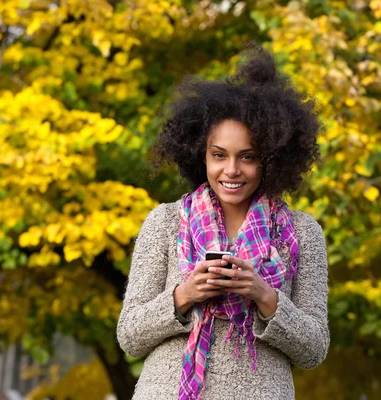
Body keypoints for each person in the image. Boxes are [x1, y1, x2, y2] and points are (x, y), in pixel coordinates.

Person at [116, 42, 329, 400]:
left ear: (272, 160)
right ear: (202, 155)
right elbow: (130, 336)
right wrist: (184, 295)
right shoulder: (165, 222)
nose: (231, 170)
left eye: (248, 157)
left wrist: (264, 295)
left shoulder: (303, 233)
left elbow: (314, 349)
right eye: (219, 155)